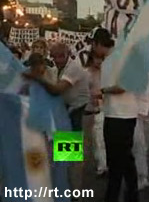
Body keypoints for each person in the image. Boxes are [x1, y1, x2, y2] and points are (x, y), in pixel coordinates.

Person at [23, 42, 90, 202]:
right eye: (51, 57)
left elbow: (56, 90)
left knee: (71, 159)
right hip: (65, 113)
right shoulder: (56, 69)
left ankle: (74, 193)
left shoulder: (73, 68)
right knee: (63, 158)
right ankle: (65, 189)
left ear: (64, 55)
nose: (53, 60)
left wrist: (37, 78)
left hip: (76, 113)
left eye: (56, 57)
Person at [102, 84, 140, 202]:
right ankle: (130, 193)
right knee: (121, 158)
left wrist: (103, 90)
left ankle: (115, 195)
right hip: (109, 113)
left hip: (121, 116)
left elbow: (122, 86)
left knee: (118, 159)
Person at [85, 53, 107, 176]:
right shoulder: (85, 73)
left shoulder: (107, 74)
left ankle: (102, 166)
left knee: (100, 139)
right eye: (97, 57)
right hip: (82, 111)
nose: (99, 61)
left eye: (101, 58)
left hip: (101, 110)